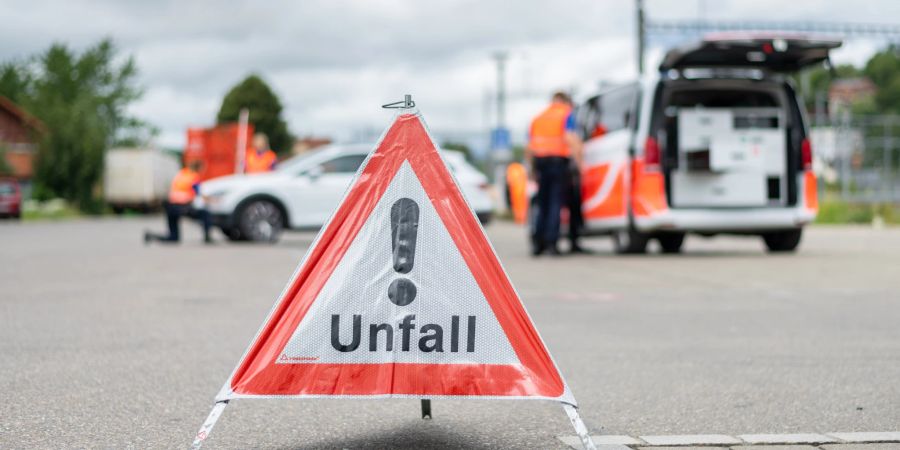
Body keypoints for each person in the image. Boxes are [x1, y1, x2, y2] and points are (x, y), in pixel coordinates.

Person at [526, 91, 583, 256]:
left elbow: (529, 147)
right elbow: (570, 138)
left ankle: (538, 244)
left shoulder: (538, 117)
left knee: (542, 203)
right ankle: (552, 243)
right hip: (558, 163)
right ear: (566, 101)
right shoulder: (566, 114)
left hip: (540, 163)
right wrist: (579, 163)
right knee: (555, 203)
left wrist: (531, 169)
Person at [144, 161, 212, 244]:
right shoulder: (194, 177)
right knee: (205, 214)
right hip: (183, 207)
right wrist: (211, 200)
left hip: (170, 207)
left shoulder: (182, 173)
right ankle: (207, 237)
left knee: (173, 237)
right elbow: (198, 193)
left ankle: (151, 235)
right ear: (199, 168)